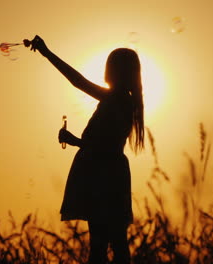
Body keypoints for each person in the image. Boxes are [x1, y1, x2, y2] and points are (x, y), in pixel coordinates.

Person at [28, 35, 144, 263]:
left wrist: (46, 52)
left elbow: (105, 146)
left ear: (119, 72)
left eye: (110, 67)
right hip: (106, 173)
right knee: (112, 241)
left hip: (104, 175)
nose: (106, 71)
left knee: (104, 245)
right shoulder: (119, 100)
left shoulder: (118, 100)